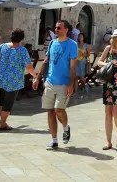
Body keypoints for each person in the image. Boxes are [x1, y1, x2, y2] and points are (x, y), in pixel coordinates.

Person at [33, 20, 78, 149]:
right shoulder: (53, 43)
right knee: (50, 111)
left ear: (66, 30)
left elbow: (73, 67)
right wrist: (37, 78)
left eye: (59, 28)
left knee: (59, 110)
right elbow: (46, 61)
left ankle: (65, 127)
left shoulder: (72, 45)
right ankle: (54, 140)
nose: (56, 30)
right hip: (50, 82)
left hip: (64, 83)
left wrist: (71, 83)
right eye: (56, 28)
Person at [0, 28, 37, 131]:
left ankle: (3, 122)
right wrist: (35, 76)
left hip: (0, 78)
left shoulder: (3, 46)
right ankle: (2, 124)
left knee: (2, 102)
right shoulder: (22, 51)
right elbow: (29, 67)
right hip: (13, 81)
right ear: (21, 39)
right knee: (8, 104)